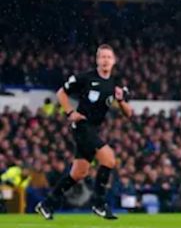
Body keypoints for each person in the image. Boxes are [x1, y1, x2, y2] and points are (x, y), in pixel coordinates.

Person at [36, 44, 133, 220]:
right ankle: (99, 203)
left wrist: (121, 101)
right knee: (109, 159)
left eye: (108, 57)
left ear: (114, 61)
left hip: (94, 128)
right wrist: (70, 112)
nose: (105, 60)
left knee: (79, 173)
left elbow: (129, 114)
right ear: (97, 60)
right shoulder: (86, 78)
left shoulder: (116, 83)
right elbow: (61, 93)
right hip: (82, 126)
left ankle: (47, 204)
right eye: (102, 57)